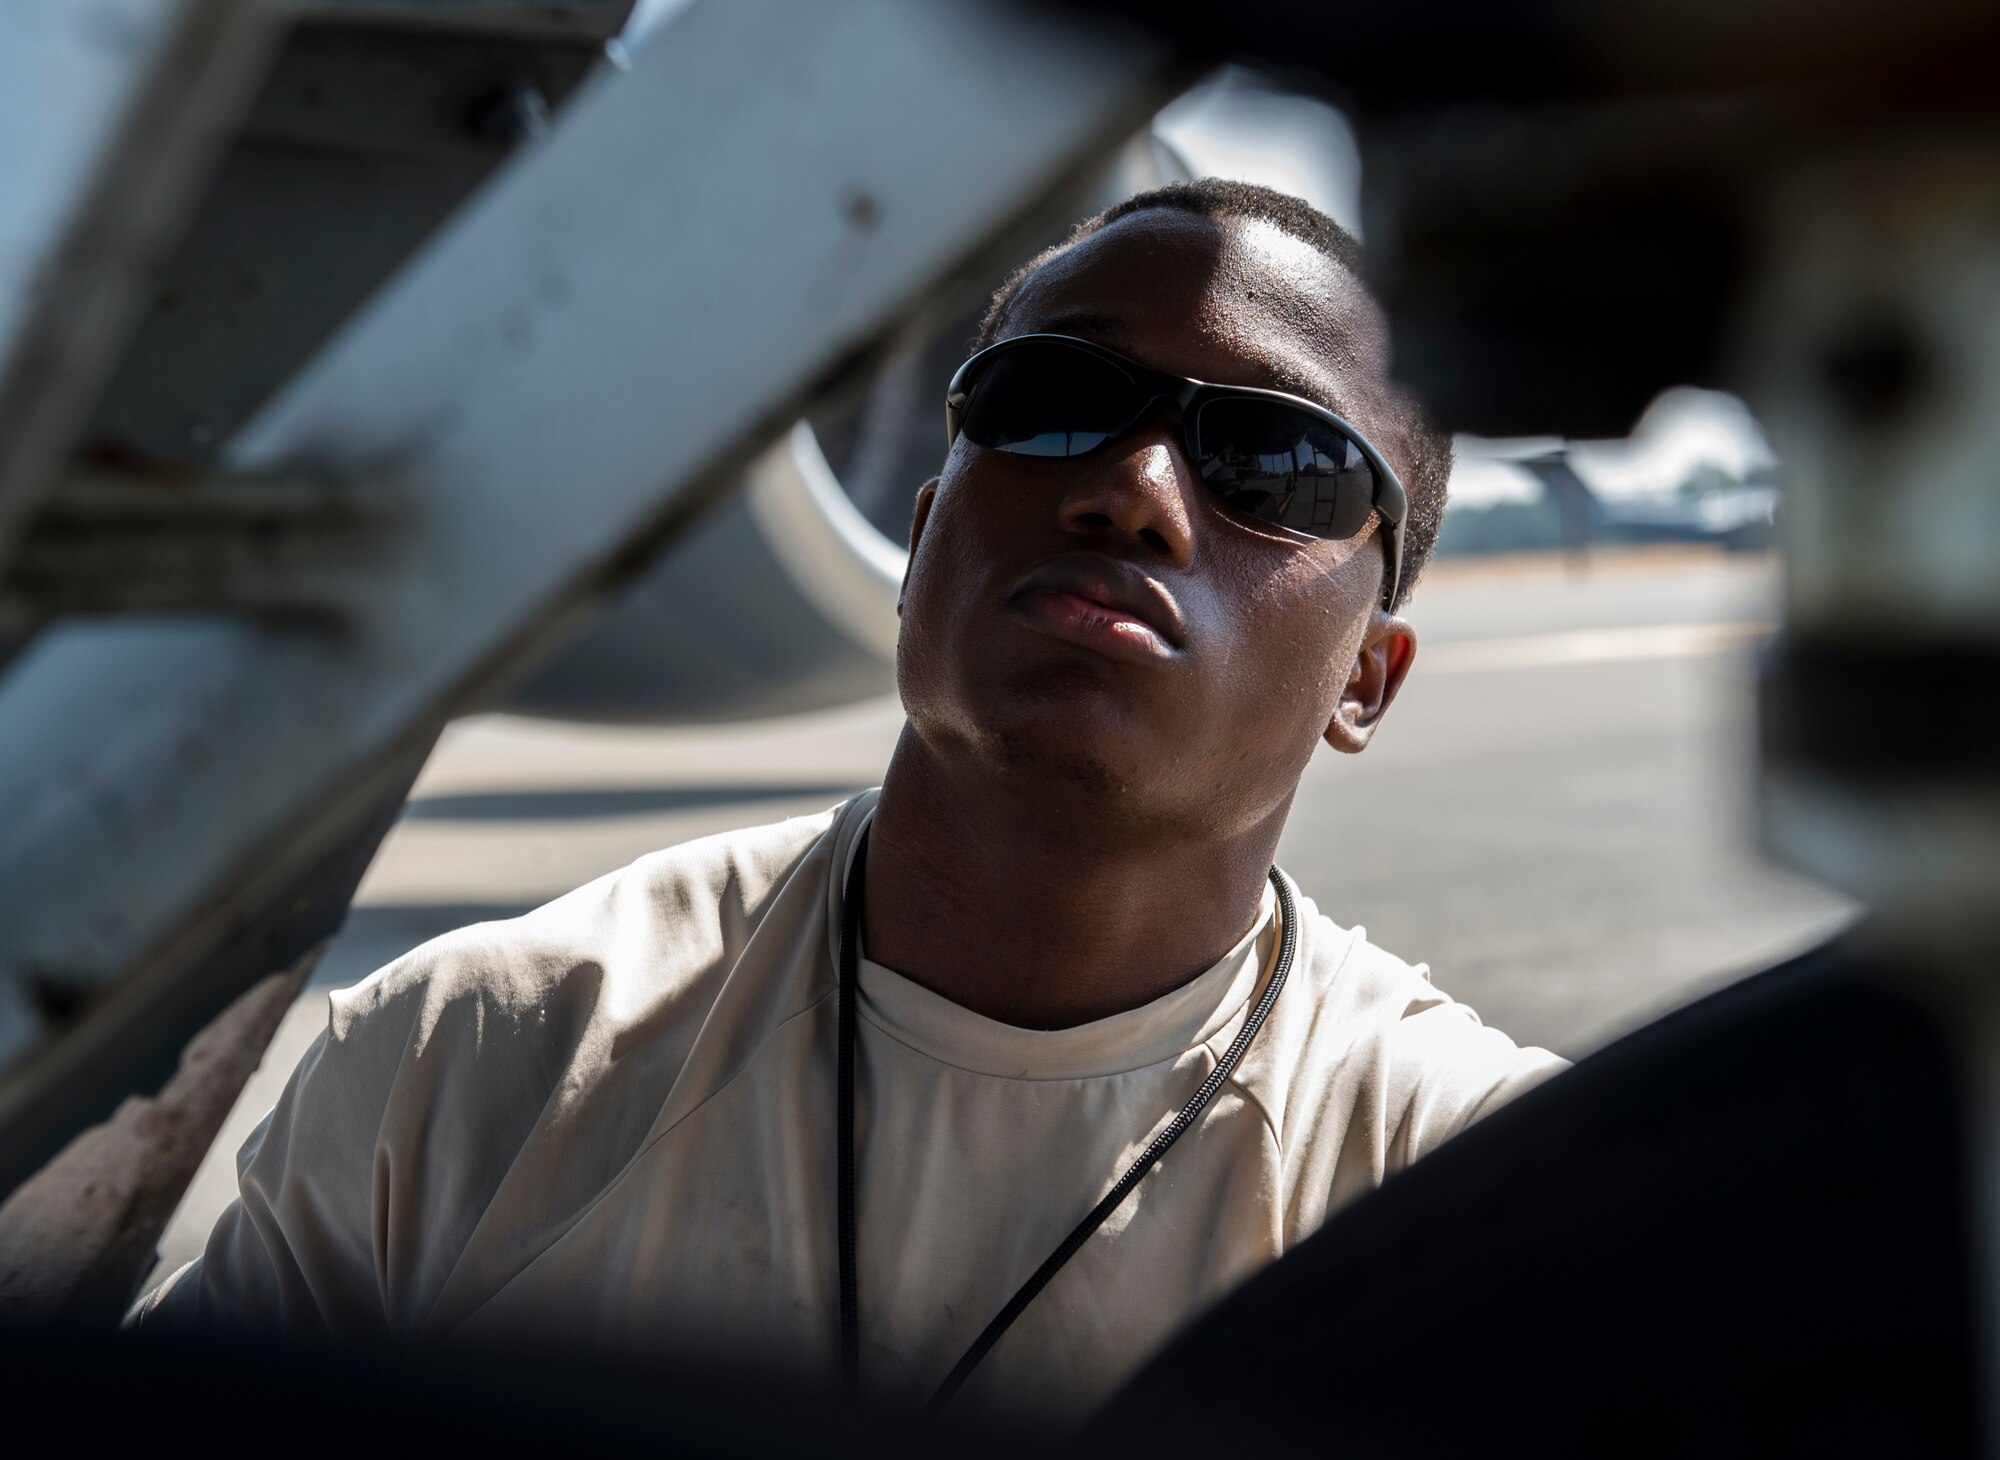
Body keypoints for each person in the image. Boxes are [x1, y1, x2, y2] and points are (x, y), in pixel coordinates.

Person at [135, 180, 1565, 1425]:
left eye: (1273, 462)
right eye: (1055, 399)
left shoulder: (1489, 1207)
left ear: (1366, 680)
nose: (1133, 489)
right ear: (926, 530)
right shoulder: (472, 1065)